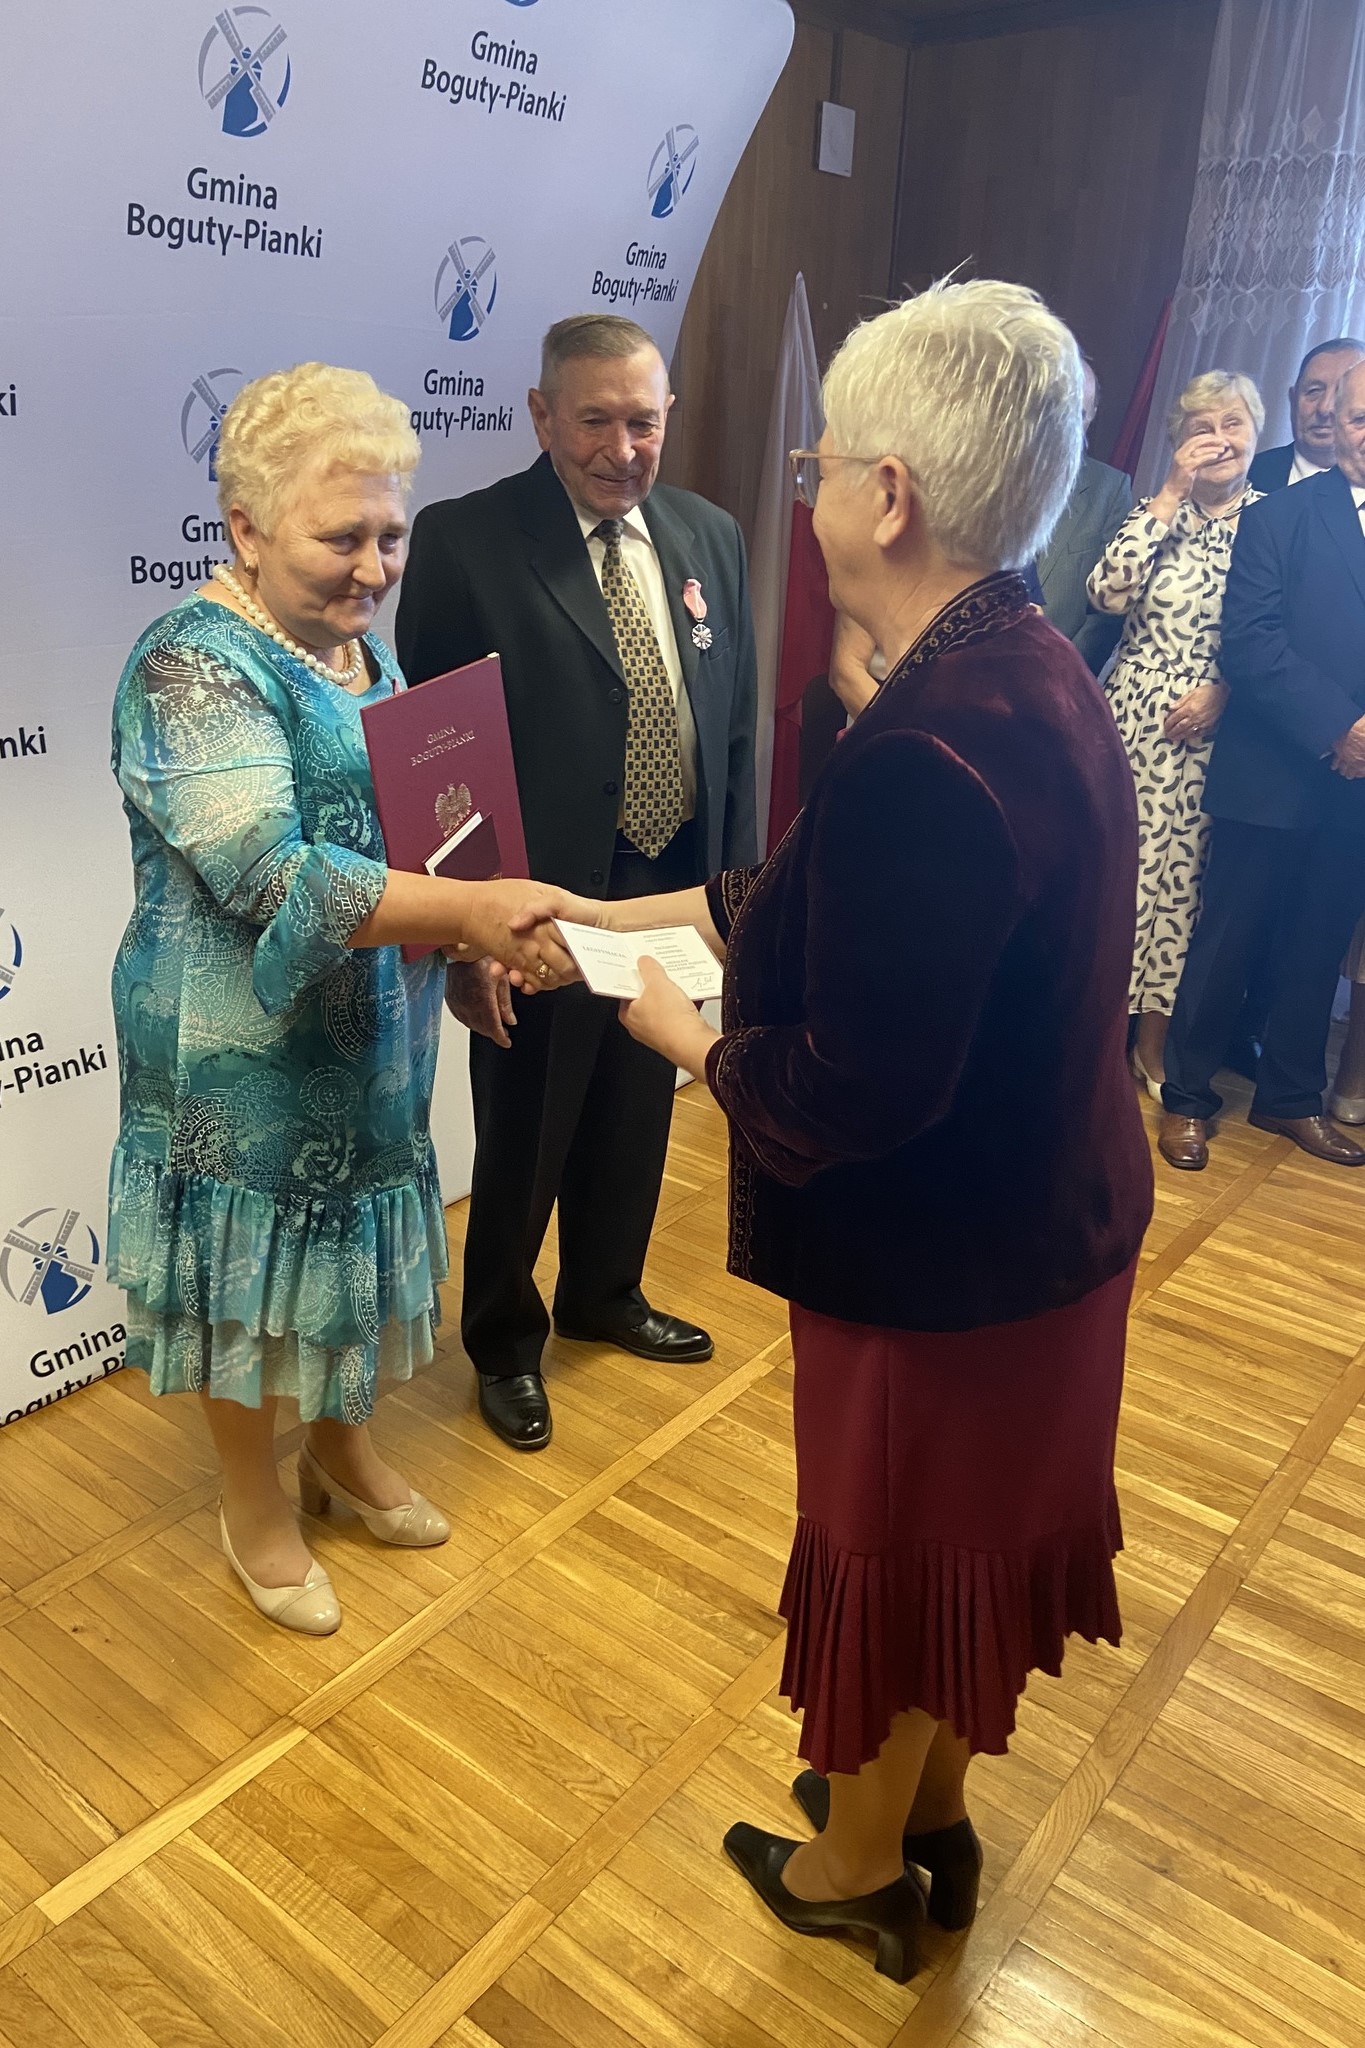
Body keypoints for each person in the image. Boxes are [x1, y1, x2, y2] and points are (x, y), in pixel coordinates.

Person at [534, 281, 1153, 1980]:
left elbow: (849, 1088)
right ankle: (929, 1816)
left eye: (816, 466)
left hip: (940, 1264)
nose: (798, 495)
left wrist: (690, 1041)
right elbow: (801, 894)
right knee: (969, 1557)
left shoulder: (930, 744)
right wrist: (595, 914)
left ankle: (853, 1864)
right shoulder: (1015, 668)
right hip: (1041, 1235)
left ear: (889, 495)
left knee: (897, 1552)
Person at [109, 363, 577, 1634]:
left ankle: (339, 1445)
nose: (375, 568)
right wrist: (472, 913)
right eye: (340, 538)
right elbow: (277, 872)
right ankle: (251, 1497)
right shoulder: (186, 665)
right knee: (248, 1277)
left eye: (391, 534)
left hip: (369, 1041)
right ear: (246, 528)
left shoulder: (358, 648)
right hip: (237, 1060)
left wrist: (466, 952)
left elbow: (427, 832)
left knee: (345, 1256)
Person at [396, 315, 758, 1453]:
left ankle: (606, 1292)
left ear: (668, 415)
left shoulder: (709, 534)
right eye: (594, 419)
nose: (621, 446)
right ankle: (504, 1340)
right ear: (542, 415)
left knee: (637, 1101)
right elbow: (433, 758)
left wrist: (739, 903)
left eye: (643, 420)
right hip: (532, 899)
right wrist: (467, 936)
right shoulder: (465, 540)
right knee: (527, 1125)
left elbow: (733, 733)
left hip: (670, 877)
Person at [1158, 358, 1365, 1171]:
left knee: (1316, 945)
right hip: (1271, 769)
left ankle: (1288, 1098)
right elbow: (1249, 642)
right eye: (1357, 417)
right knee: (1226, 942)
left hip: (1355, 789)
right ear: (1333, 425)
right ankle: (1185, 1099)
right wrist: (1338, 728)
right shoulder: (1278, 516)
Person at [1086, 372, 1263, 1097]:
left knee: (1182, 893)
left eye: (1232, 423)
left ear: (1256, 433)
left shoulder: (1273, 523)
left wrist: (1227, 690)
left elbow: (1284, 633)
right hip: (1130, 720)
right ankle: (1093, 1043)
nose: (1217, 439)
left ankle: (1153, 1048)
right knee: (1113, 879)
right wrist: (1166, 495)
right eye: (1200, 427)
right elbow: (1106, 593)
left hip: (1216, 733)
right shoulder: (1156, 510)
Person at [1038, 360, 1133, 674]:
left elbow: (1107, 613)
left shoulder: (1110, 490)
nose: (1063, 425)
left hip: (1052, 676)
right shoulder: (988, 472)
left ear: (1091, 417)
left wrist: (1063, 673)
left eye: (1077, 414)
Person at [1248, 336, 1365, 492]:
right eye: (1313, 391)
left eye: (1341, 394)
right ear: (1293, 400)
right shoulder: (1245, 476)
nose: (1325, 408)